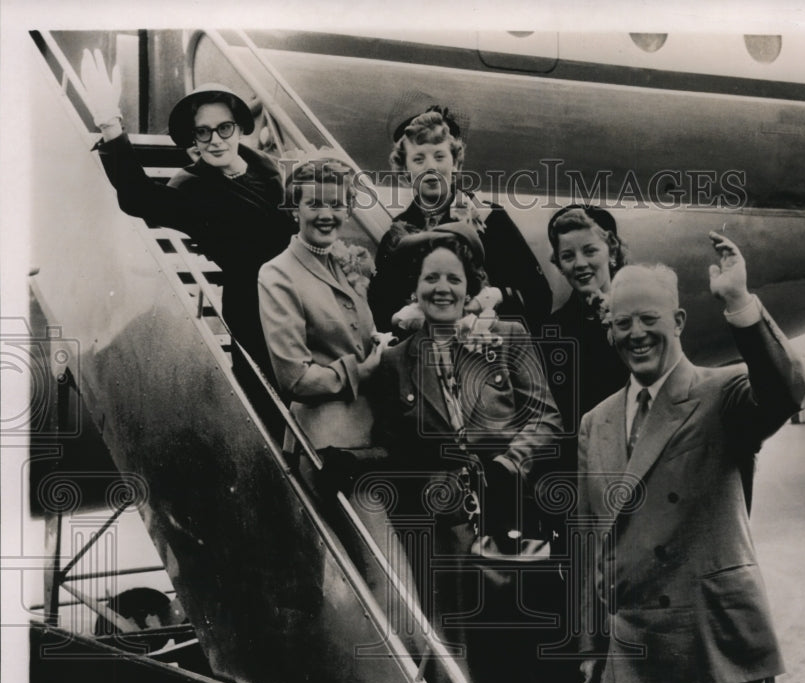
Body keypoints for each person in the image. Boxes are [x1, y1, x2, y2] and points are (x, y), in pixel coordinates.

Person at [575, 232, 805, 683]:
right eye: (622, 323)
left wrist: (740, 303)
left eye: (649, 319)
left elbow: (786, 391)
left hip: (713, 649)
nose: (635, 333)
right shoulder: (595, 422)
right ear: (609, 332)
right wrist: (590, 651)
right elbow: (589, 542)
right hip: (633, 654)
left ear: (678, 322)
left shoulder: (721, 391)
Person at [372, 222, 572, 683]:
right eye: (430, 279)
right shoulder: (396, 361)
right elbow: (397, 448)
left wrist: (509, 464)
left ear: (470, 287)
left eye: (453, 279)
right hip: (449, 528)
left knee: (525, 639)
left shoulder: (507, 336)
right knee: (461, 642)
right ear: (414, 289)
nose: (442, 289)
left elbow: (548, 417)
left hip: (512, 513)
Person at [79, 49, 296, 381]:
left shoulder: (267, 169)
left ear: (238, 129)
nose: (215, 140)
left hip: (297, 294)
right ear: (194, 138)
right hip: (253, 306)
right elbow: (139, 197)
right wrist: (110, 122)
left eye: (224, 128)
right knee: (270, 397)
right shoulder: (192, 188)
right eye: (203, 132)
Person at [370, 105, 552, 337]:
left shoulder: (490, 219)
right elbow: (381, 309)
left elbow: (540, 297)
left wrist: (496, 298)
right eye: (418, 159)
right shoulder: (397, 236)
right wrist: (403, 318)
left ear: (455, 163)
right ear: (405, 171)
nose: (431, 168)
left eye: (439, 156)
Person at [258, 155, 387, 465]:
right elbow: (296, 379)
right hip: (325, 440)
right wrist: (362, 371)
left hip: (374, 434)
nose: (326, 215)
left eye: (336, 205)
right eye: (314, 204)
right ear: (294, 209)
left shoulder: (347, 263)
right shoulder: (277, 274)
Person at [545, 204, 631, 432]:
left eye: (590, 251)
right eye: (568, 256)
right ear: (560, 265)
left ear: (612, 252)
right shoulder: (553, 331)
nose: (580, 264)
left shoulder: (641, 314)